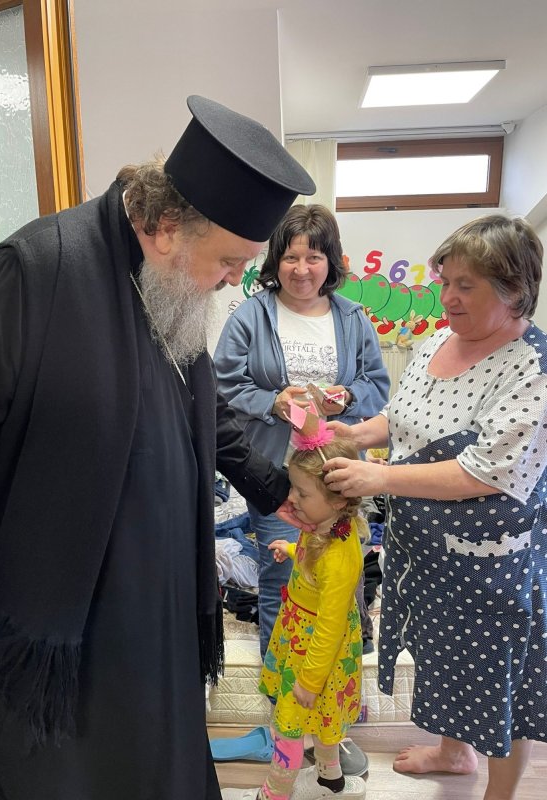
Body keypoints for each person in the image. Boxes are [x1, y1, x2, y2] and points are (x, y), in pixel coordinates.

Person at [0, 94, 317, 800]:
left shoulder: (168, 283)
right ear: (167, 227)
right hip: (51, 623)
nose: (232, 280)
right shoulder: (30, 272)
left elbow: (201, 411)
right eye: (229, 261)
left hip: (156, 607)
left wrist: (273, 486)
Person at [321, 214, 547, 800]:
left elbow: (483, 472)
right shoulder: (436, 342)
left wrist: (379, 476)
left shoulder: (532, 369)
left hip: (489, 563)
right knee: (444, 656)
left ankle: (499, 793)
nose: (447, 297)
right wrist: (355, 434)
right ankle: (454, 752)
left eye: (465, 285)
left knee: (495, 676)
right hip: (423, 552)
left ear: (515, 289)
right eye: (445, 280)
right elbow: (403, 420)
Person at [214, 204, 389, 663]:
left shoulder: (352, 318)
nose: (301, 269)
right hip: (278, 475)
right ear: (276, 261)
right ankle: (282, 686)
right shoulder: (251, 316)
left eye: (314, 257)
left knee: (343, 576)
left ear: (331, 261)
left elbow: (377, 385)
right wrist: (273, 402)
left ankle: (337, 682)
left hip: (340, 473)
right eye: (291, 257)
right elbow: (222, 386)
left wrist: (347, 398)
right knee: (283, 575)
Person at [222, 432, 367, 800]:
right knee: (324, 718)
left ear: (338, 500)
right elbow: (313, 563)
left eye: (302, 493)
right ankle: (330, 782)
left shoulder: (340, 556)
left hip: (315, 652)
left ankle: (274, 793)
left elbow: (330, 626)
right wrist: (290, 548)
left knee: (288, 725)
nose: (291, 499)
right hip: (301, 636)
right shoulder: (323, 525)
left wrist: (310, 680)